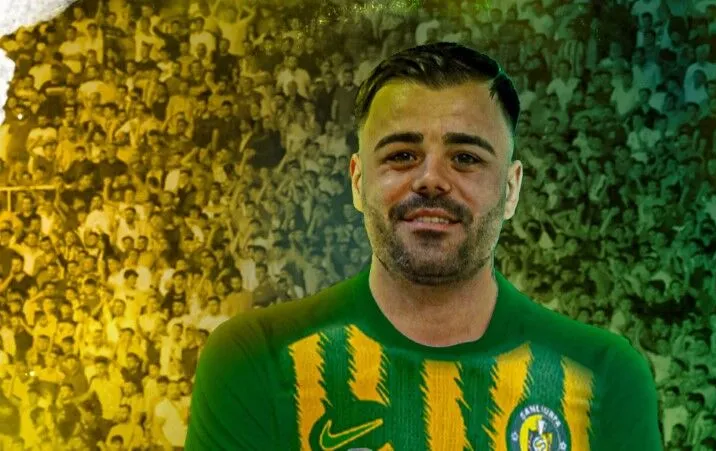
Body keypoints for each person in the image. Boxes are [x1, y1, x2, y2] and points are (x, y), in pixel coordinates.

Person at [186, 42, 661, 450]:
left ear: (512, 189)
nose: (431, 178)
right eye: (402, 155)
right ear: (357, 181)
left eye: (466, 157)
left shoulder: (604, 375)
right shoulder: (257, 359)